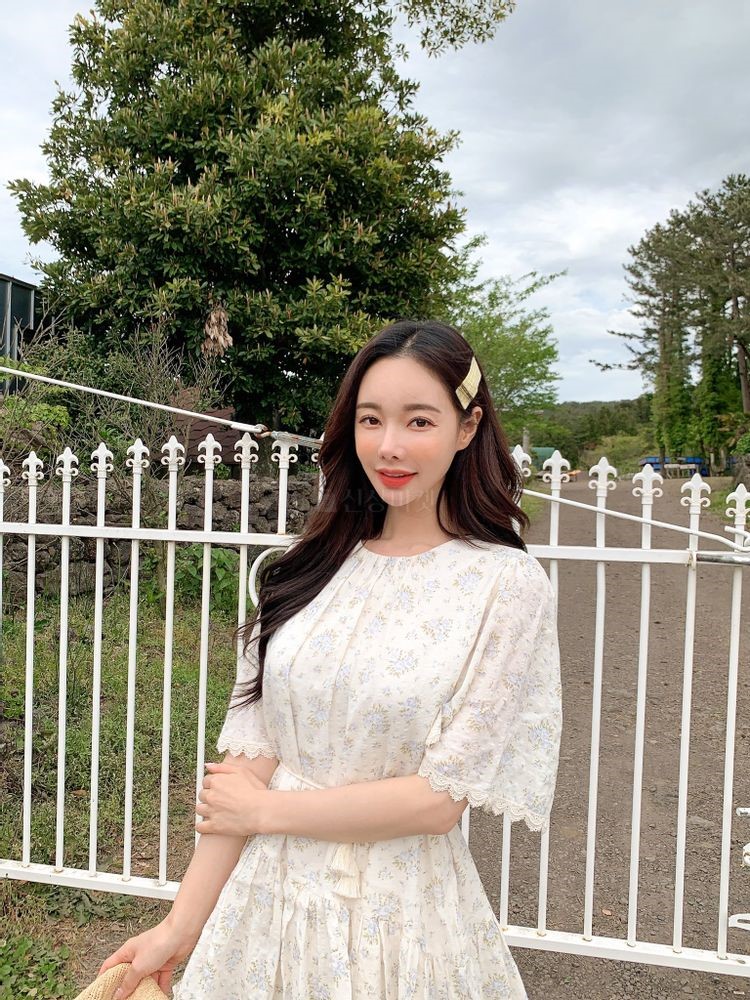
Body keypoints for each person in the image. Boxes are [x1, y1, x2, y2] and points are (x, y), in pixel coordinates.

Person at [98, 319, 563, 999]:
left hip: (403, 925)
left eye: (419, 421)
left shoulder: (505, 585)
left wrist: (265, 813)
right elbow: (249, 766)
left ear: (467, 428)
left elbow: (438, 800)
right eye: (371, 420)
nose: (390, 445)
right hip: (266, 914)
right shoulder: (306, 569)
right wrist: (179, 926)